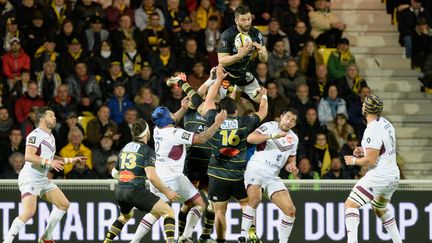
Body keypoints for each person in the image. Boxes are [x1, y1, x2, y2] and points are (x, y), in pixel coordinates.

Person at [131, 99, 226, 243]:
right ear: (167, 118)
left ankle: (185, 237)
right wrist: (217, 123)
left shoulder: (157, 129)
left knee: (195, 204)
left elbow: (172, 118)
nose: (172, 114)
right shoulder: (176, 133)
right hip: (171, 179)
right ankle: (182, 236)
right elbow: (201, 138)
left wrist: (183, 108)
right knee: (195, 206)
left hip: (165, 174)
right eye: (169, 113)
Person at [199, 66, 268, 243]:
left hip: (217, 174)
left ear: (220, 110)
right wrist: (264, 95)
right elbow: (263, 112)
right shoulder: (244, 122)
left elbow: (208, 99)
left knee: (219, 211)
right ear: (235, 111)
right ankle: (248, 233)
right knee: (246, 205)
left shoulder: (213, 118)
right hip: (238, 174)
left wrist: (218, 79)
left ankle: (221, 241)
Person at [2, 106, 87, 243]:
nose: (54, 118)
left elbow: (53, 158)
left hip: (42, 178)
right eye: (51, 116)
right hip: (30, 178)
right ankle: (7, 240)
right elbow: (29, 156)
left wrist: (72, 160)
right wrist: (49, 163)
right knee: (29, 212)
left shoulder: (50, 136)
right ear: (42, 118)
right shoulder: (35, 135)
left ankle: (46, 237)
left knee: (64, 204)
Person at [103, 119, 180, 243]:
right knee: (168, 212)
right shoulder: (147, 151)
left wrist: (127, 177)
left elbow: (115, 173)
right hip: (135, 191)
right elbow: (152, 177)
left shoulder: (125, 148)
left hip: (120, 191)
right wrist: (167, 192)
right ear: (146, 133)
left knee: (125, 216)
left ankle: (106, 241)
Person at [343, 95, 402, 243]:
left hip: (380, 177)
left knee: (350, 205)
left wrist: (354, 160)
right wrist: (364, 150)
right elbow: (383, 149)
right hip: (393, 176)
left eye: (364, 104)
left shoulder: (372, 129)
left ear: (366, 109)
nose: (362, 105)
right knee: (380, 208)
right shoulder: (386, 123)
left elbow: (370, 160)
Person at [239, 109, 299, 243]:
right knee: (255, 199)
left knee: (290, 211)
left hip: (273, 175)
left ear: (294, 124)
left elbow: (291, 160)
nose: (289, 121)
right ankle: (243, 236)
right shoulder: (270, 126)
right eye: (287, 117)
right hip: (257, 167)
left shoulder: (294, 138)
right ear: (281, 117)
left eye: (293, 120)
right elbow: (250, 138)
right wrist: (272, 136)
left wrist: (291, 167)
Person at [217, 5, 268, 103]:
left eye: (249, 19)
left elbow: (264, 59)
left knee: (262, 99)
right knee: (226, 105)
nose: (247, 22)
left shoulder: (256, 33)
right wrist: (239, 56)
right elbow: (222, 61)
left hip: (243, 73)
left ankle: (238, 89)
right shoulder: (227, 35)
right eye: (243, 20)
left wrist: (262, 52)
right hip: (226, 75)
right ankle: (236, 90)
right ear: (236, 20)